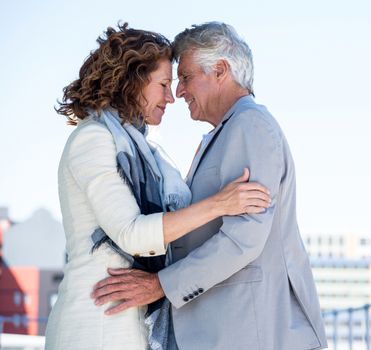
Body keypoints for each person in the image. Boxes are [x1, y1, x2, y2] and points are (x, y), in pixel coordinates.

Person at [93, 22, 327, 349]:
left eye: (186, 77)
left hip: (250, 331)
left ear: (219, 70)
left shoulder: (250, 126)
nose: (180, 92)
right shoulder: (229, 131)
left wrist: (161, 285)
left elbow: (244, 238)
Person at [44, 23, 270, 350]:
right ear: (132, 81)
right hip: (97, 324)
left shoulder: (146, 151)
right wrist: (221, 203)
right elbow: (132, 233)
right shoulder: (93, 139)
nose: (171, 97)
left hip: (133, 322)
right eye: (164, 84)